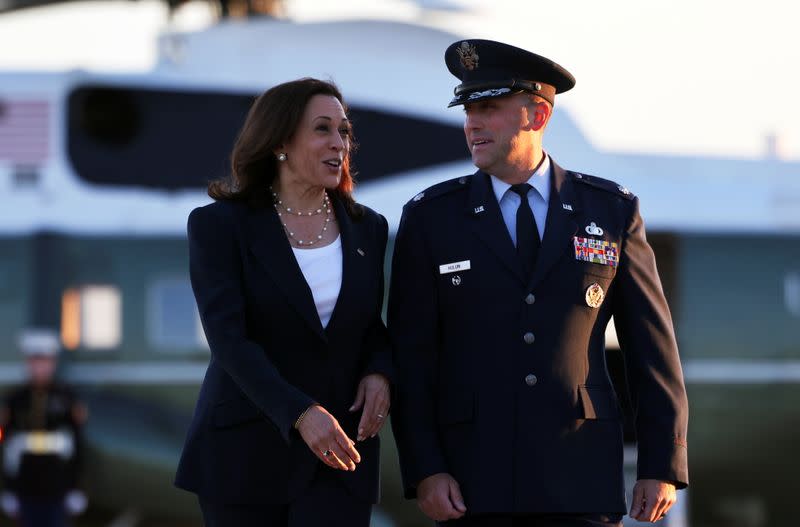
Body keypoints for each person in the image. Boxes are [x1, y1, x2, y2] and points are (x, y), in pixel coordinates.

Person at [389, 39, 689, 526]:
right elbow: (412, 356)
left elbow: (651, 349)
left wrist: (663, 464)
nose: (472, 124)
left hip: (580, 477)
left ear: (537, 115)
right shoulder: (431, 218)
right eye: (468, 111)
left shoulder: (610, 211)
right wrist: (426, 469)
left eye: (488, 108)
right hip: (472, 481)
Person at [174, 78, 393, 527]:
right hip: (245, 455)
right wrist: (298, 412)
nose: (339, 143)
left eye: (344, 131)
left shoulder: (368, 228)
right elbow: (229, 340)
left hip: (339, 456)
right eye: (323, 129)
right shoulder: (220, 226)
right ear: (280, 143)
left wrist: (380, 372)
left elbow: (371, 326)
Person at [0, 328, 88, 527]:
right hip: (25, 487)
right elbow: (5, 444)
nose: (40, 368)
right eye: (35, 362)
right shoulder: (15, 400)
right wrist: (8, 489)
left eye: (45, 362)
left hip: (57, 487)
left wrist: (76, 487)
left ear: (53, 364)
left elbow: (78, 444)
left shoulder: (66, 398)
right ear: (28, 364)